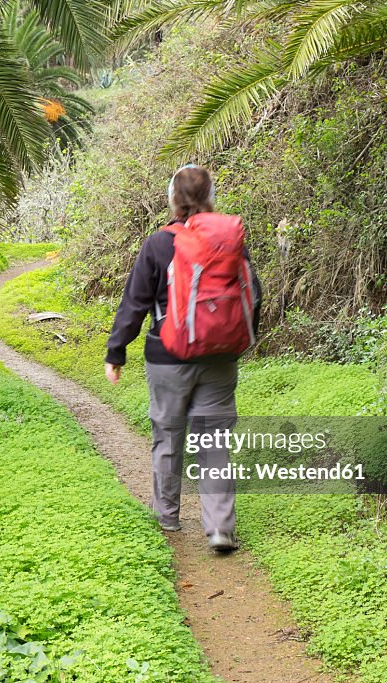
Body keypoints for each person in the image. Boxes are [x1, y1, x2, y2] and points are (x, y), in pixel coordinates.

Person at [104, 164, 249, 553]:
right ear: (211, 197)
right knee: (214, 439)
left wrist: (116, 351)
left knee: (168, 434)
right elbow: (252, 294)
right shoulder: (230, 240)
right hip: (220, 356)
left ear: (173, 199)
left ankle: (167, 515)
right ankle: (220, 528)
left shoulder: (158, 244)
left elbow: (134, 302)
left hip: (167, 356)